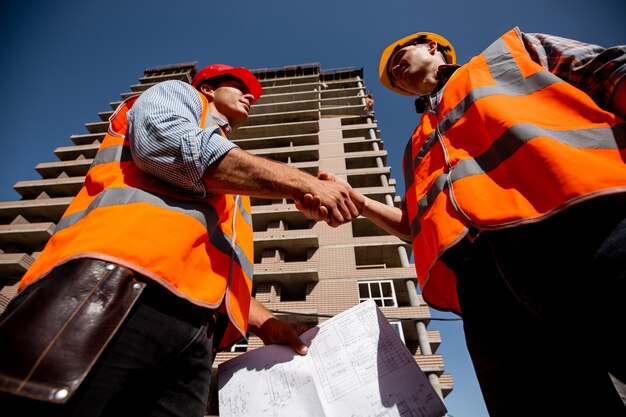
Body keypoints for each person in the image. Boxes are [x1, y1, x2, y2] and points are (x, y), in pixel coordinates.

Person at [0, 63, 364, 417]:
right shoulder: (176, 95)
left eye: (252, 93)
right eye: (239, 86)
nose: (250, 96)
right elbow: (175, 149)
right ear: (207, 88)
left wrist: (267, 324)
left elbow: (211, 272)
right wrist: (303, 182)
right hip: (113, 289)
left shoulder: (233, 184)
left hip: (195, 334)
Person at [312, 28, 626, 416]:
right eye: (392, 77)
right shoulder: (416, 146)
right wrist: (361, 204)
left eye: (399, 56)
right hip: (483, 287)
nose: (395, 70)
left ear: (432, 47)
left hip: (582, 226)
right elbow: (417, 226)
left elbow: (611, 72)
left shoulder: (509, 53)